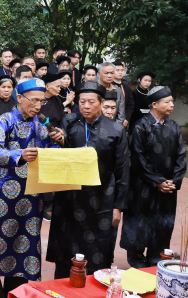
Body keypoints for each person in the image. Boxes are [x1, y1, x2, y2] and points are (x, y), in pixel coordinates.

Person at [0, 78, 65, 298]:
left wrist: (59, 140)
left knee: (24, 247)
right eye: (35, 100)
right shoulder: (5, 121)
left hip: (33, 199)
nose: (39, 106)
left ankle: (14, 296)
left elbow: (52, 154)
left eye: (42, 101)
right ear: (20, 98)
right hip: (7, 196)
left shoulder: (42, 124)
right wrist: (18, 154)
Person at [49, 82, 129, 277]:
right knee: (65, 248)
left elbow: (122, 171)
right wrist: (60, 142)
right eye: (82, 101)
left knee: (96, 251)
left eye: (91, 102)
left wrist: (118, 207)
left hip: (101, 198)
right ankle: (61, 290)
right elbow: (63, 154)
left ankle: (90, 292)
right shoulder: (69, 121)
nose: (85, 106)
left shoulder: (116, 130)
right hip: (69, 196)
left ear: (102, 103)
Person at [120, 86, 187, 268]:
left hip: (167, 188)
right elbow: (137, 157)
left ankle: (156, 260)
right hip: (143, 186)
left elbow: (181, 156)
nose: (171, 105)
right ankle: (136, 260)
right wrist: (157, 181)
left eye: (172, 101)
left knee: (162, 224)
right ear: (154, 104)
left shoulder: (174, 127)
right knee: (139, 223)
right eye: (167, 102)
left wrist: (174, 181)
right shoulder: (140, 126)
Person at [113, 59, 134, 130]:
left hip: (123, 121)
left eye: (122, 70)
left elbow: (130, 105)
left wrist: (127, 118)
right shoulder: (108, 86)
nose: (120, 72)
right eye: (117, 70)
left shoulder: (126, 88)